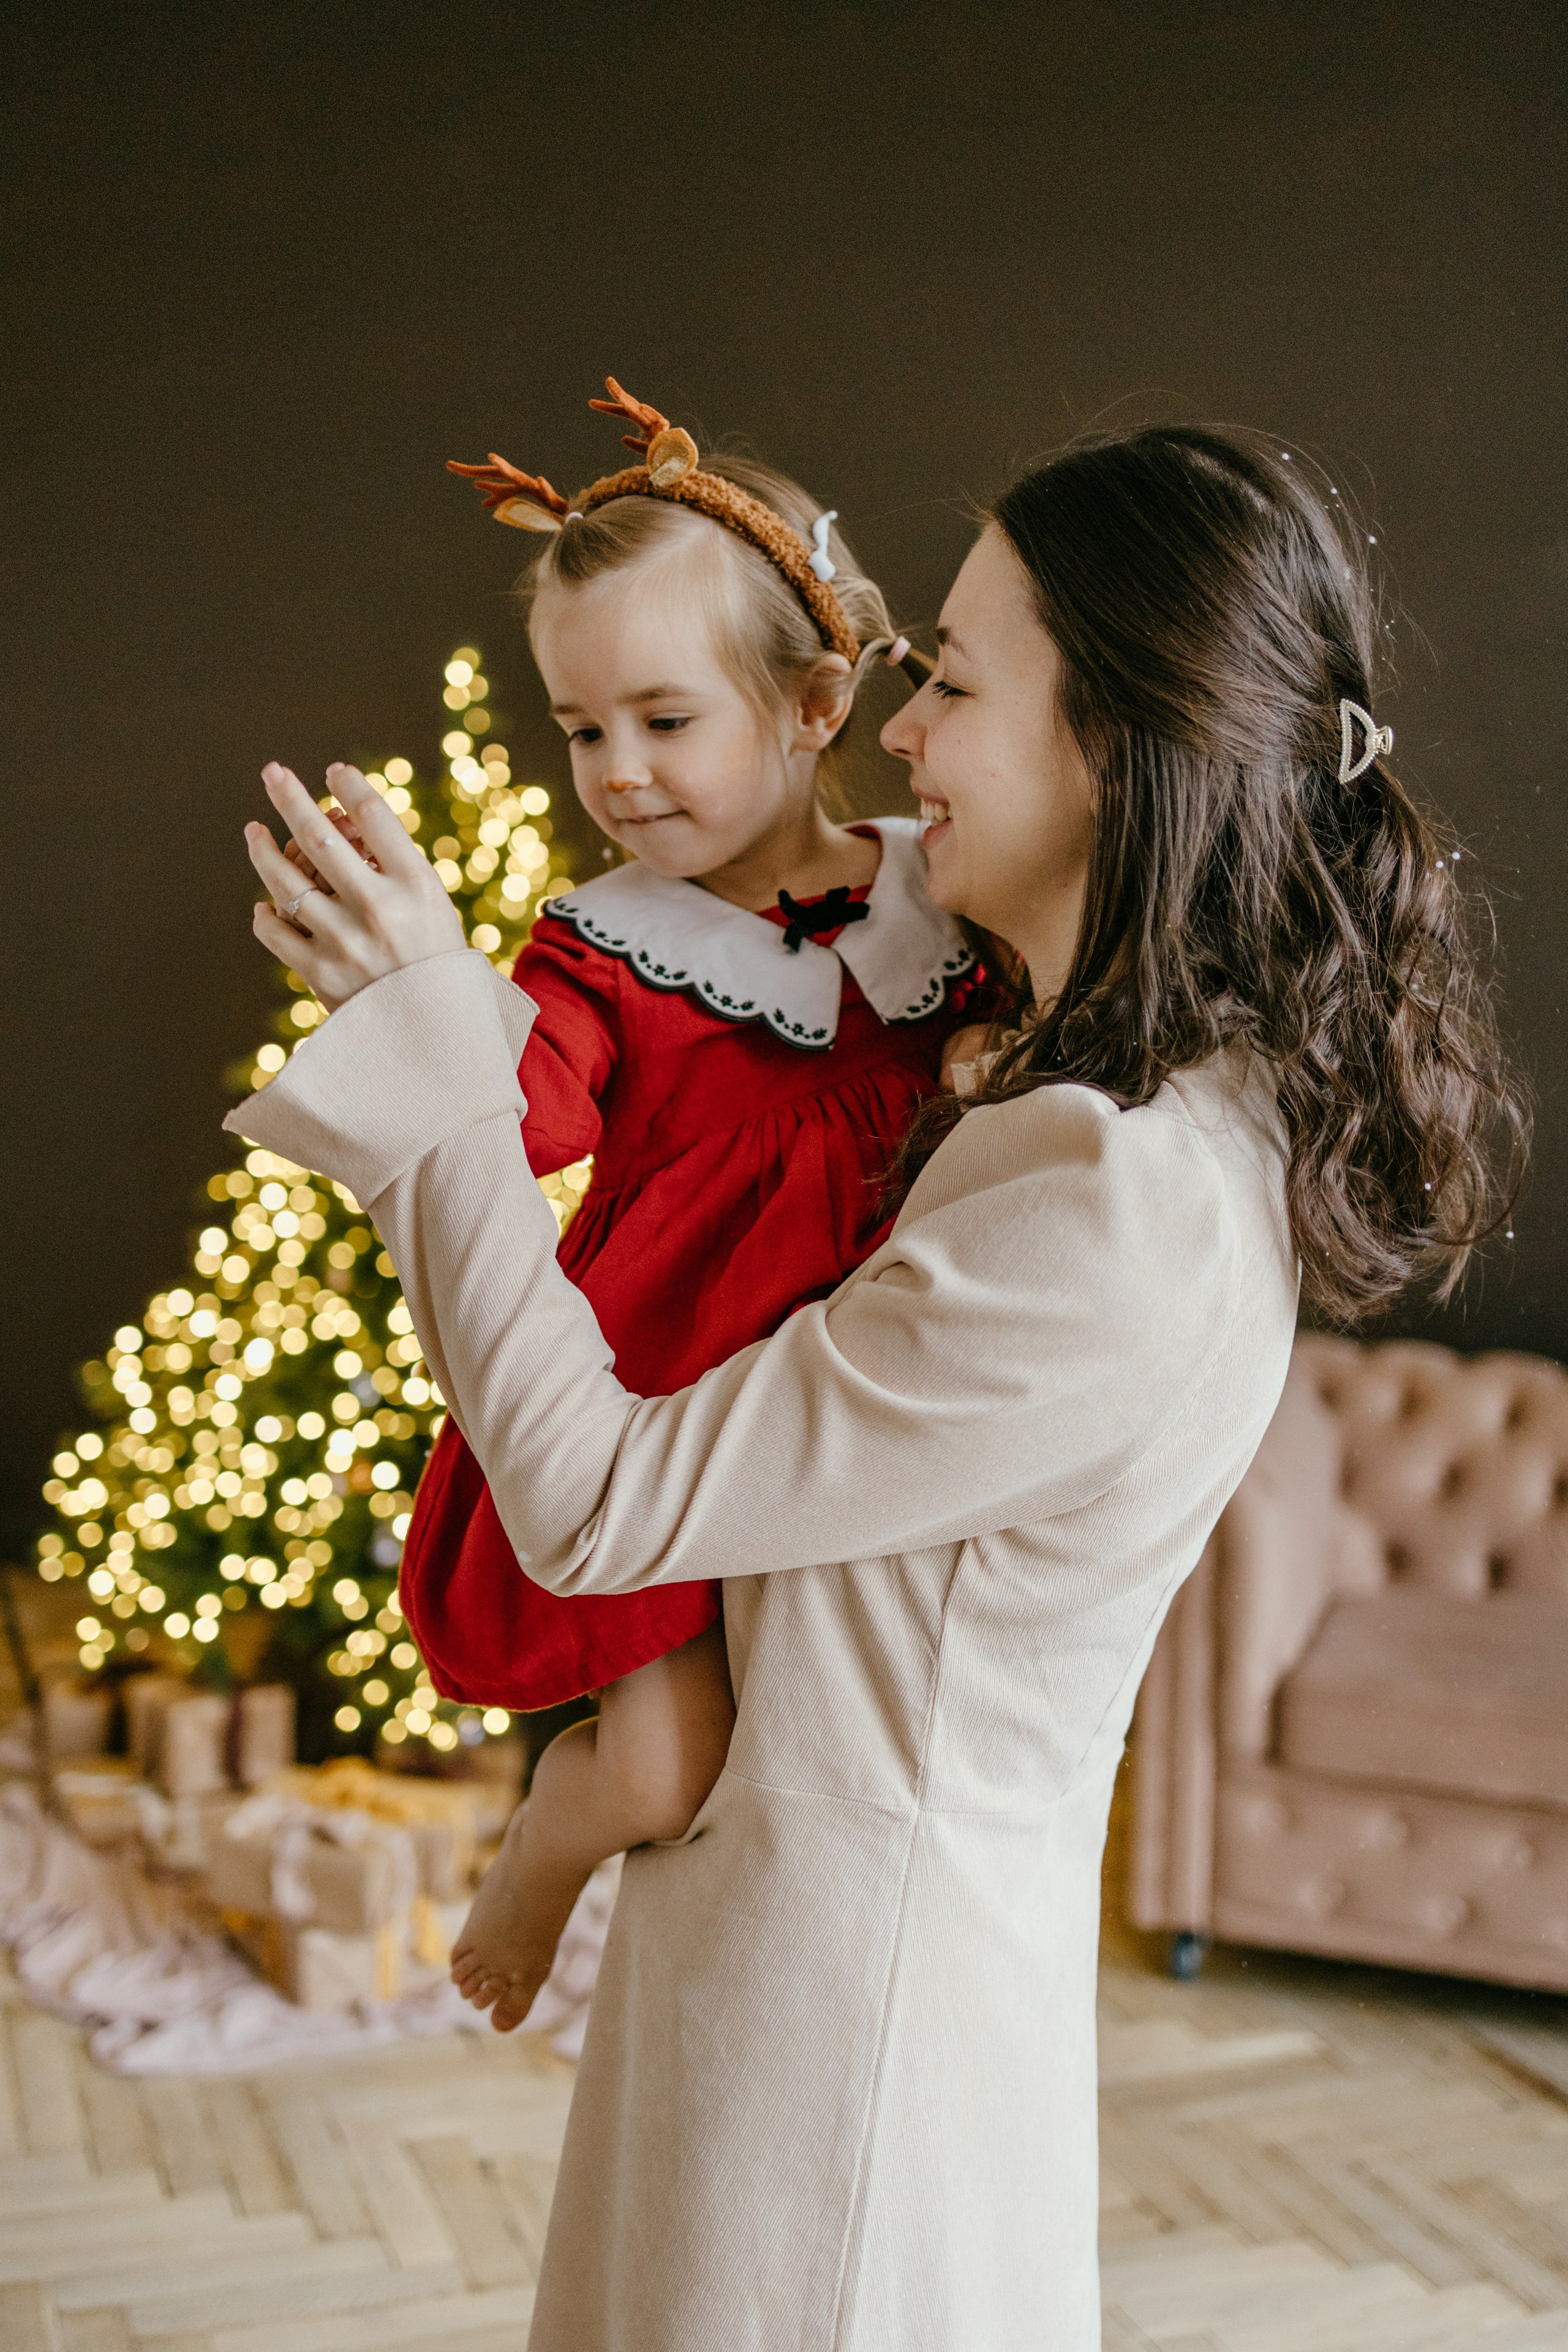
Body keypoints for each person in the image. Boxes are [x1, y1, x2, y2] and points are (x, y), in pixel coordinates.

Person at [232, 421, 1519, 2350]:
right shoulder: (1086, 1073)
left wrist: (427, 1075)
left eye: (953, 684)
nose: (896, 741)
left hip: (838, 2042)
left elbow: (599, 1501)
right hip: (794, 1945)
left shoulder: (1104, 1193)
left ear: (1116, 752)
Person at [405, 382, 985, 2029]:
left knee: (842, 1741)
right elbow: (517, 1113)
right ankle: (543, 1854)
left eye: (665, 720)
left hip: (871, 1411)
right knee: (662, 1769)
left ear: (813, 707)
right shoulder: (601, 948)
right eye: (583, 730)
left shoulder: (935, 890)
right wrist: (418, 1008)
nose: (618, 774)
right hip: (674, 1400)